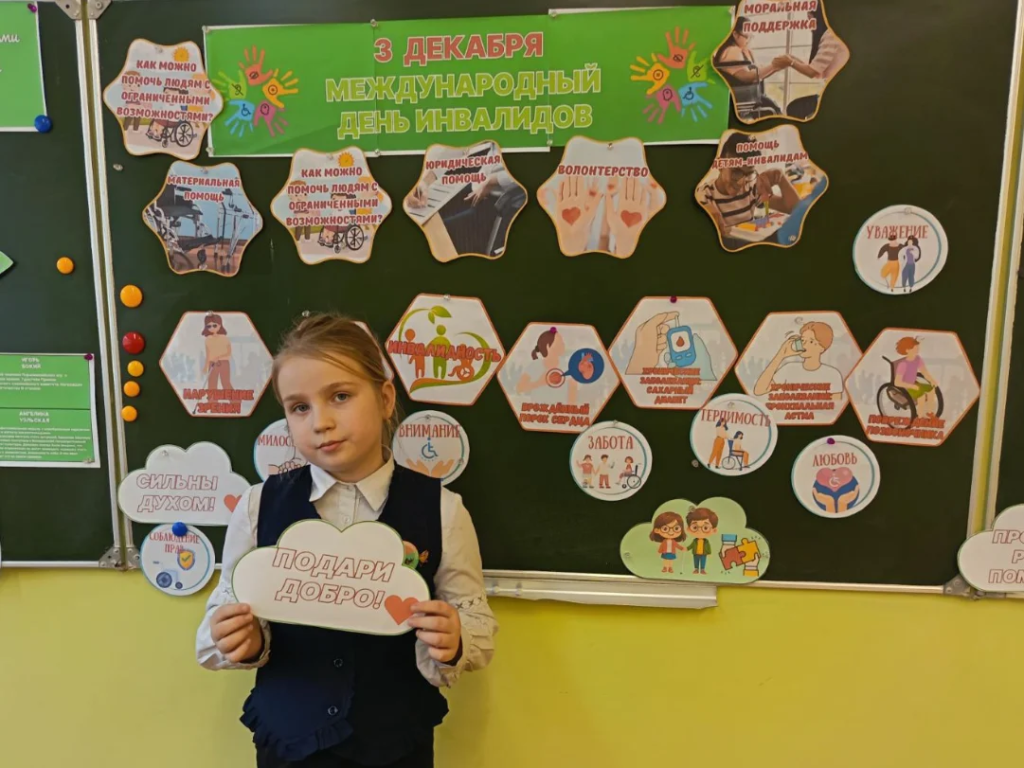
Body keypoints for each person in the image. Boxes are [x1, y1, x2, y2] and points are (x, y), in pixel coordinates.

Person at [196, 313, 497, 768]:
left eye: (340, 396)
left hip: (396, 745)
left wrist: (454, 638)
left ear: (385, 398)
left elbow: (477, 623)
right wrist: (244, 640)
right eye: (299, 407)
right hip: (289, 745)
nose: (321, 422)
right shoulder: (258, 506)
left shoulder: (441, 509)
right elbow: (219, 624)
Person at [698, 133, 800, 239]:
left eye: (749, 174)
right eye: (736, 172)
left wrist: (781, 178)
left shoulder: (751, 188)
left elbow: (795, 210)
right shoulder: (705, 195)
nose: (741, 182)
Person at [780, 5, 851, 119]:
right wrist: (791, 59)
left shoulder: (830, 36)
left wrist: (790, 62)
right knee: (795, 107)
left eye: (810, 20)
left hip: (837, 95)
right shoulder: (833, 33)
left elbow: (811, 72)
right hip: (836, 92)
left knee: (794, 108)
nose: (809, 26)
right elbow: (817, 71)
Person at [713, 17, 790, 119]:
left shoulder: (743, 50)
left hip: (752, 95)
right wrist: (773, 66)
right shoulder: (732, 51)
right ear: (735, 34)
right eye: (747, 37)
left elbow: (757, 75)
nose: (749, 40)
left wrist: (775, 67)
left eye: (751, 37)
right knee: (774, 111)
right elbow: (746, 77)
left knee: (774, 110)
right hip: (745, 96)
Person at [752, 322, 844, 405]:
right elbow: (759, 390)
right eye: (803, 340)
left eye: (811, 341)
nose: (804, 344)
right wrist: (780, 355)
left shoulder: (832, 374)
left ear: (821, 348)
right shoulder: (789, 368)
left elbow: (835, 406)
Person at [893, 336, 939, 417]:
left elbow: (924, 372)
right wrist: (912, 386)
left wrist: (931, 380)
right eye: (915, 347)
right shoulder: (903, 364)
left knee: (932, 390)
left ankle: (930, 412)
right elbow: (897, 382)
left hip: (915, 383)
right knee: (921, 396)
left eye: (917, 347)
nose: (917, 349)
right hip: (906, 387)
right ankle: (919, 416)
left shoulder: (918, 359)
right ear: (907, 350)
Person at [203, 313, 233, 397]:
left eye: (214, 325)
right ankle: (212, 402)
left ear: (220, 325)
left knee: (225, 383)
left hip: (223, 363)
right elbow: (208, 354)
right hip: (212, 363)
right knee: (211, 384)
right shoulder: (207, 340)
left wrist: (219, 357)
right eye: (209, 326)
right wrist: (206, 366)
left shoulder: (225, 338)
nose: (212, 328)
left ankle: (235, 400)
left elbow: (229, 353)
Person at [685, 506, 719, 575]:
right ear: (688, 529)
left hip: (703, 554)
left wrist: (709, 552)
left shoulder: (706, 541)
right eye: (695, 527)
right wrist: (686, 548)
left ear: (714, 530)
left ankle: (702, 569)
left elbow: (708, 546)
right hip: (696, 553)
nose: (699, 531)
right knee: (696, 561)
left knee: (703, 561)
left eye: (705, 528)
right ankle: (696, 569)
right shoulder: (695, 541)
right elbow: (691, 546)